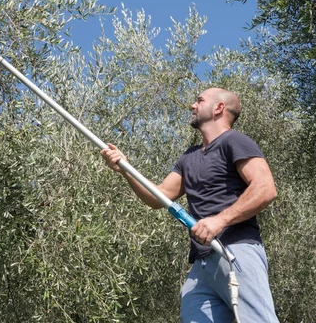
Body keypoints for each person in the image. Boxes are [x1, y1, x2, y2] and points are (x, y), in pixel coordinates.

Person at [101, 88, 279, 323]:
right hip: (202, 266)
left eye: (199, 101)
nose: (192, 106)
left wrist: (220, 220)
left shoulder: (234, 141)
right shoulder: (189, 157)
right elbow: (158, 197)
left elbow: (265, 188)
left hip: (236, 251)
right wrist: (125, 168)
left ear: (219, 108)